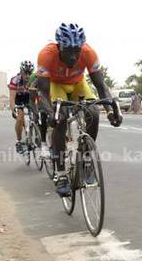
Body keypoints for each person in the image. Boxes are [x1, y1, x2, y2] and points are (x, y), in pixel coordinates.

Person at [36, 23, 122, 196]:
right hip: (56, 85)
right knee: (60, 119)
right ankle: (61, 174)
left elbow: (101, 85)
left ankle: (86, 160)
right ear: (59, 46)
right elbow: (43, 92)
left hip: (78, 83)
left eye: (77, 50)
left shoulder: (88, 53)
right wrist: (51, 113)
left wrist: (112, 111)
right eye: (69, 51)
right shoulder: (46, 55)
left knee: (93, 113)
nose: (74, 56)